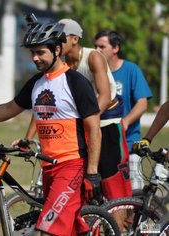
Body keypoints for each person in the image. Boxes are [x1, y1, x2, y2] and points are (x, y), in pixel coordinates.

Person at [0, 15, 102, 236]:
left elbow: (94, 128)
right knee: (68, 226)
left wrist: (93, 172)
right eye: (32, 53)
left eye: (40, 52)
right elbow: (9, 108)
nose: (35, 58)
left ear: (57, 50)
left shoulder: (76, 83)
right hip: (48, 167)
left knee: (48, 228)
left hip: (71, 166)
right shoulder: (36, 83)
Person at [22, 19, 132, 202]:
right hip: (82, 127)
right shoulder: (57, 65)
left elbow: (104, 96)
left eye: (61, 38)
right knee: (83, 190)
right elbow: (44, 104)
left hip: (105, 123)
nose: (57, 41)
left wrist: (84, 119)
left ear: (75, 38)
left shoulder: (93, 57)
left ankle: (118, 229)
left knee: (112, 186)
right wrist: (28, 137)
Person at [94, 30, 153, 190]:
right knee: (106, 194)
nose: (97, 51)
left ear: (116, 48)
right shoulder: (95, 73)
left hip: (128, 142)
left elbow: (142, 103)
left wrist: (125, 122)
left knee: (133, 194)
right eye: (95, 47)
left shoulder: (131, 70)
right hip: (102, 143)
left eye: (102, 47)